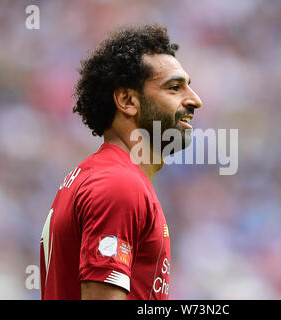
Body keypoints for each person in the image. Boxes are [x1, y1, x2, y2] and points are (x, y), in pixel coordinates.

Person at [40, 24, 202, 300]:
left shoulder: (93, 175)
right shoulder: (119, 184)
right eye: (174, 88)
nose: (195, 101)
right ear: (127, 100)